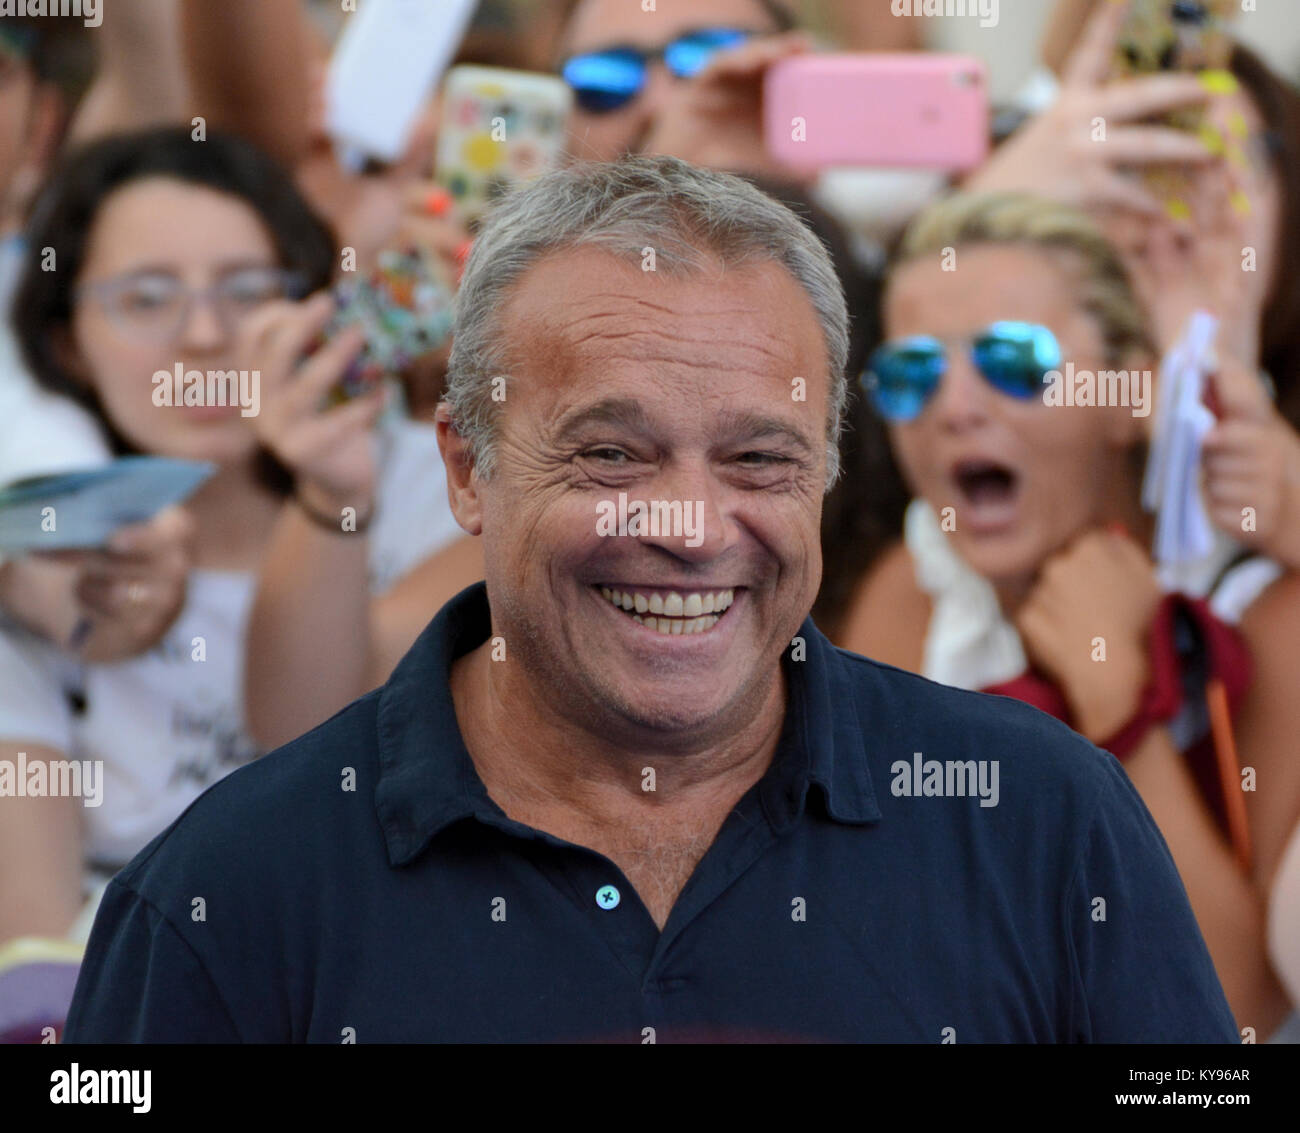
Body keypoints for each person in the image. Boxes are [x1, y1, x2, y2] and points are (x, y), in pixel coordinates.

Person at [67, 155, 1234, 1043]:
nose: (690, 526)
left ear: (827, 472)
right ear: (467, 467)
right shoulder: (224, 892)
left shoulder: (1045, 821)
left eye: (758, 460)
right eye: (612, 455)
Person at [837, 190, 1296, 1036]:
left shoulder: (1268, 616)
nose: (955, 407)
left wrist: (1122, 706)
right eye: (911, 375)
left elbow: (1233, 1013)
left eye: (1014, 363)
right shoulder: (916, 590)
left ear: (1131, 396)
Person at [0, 126, 456, 948]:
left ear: (313, 304)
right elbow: (33, 962)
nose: (205, 337)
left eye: (248, 290)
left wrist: (332, 494)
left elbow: (318, 729)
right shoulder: (37, 560)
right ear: (68, 342)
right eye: (146, 298)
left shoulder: (437, 485)